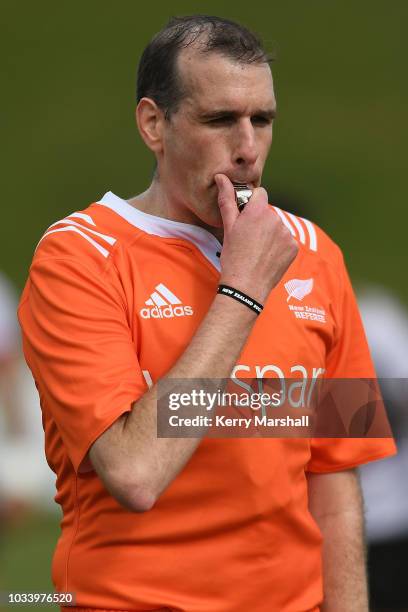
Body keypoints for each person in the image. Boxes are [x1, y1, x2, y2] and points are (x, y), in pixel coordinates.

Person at [18, 15, 396, 612]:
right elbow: (136, 473)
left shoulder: (316, 253)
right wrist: (243, 289)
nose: (247, 150)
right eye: (220, 120)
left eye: (262, 121)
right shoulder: (77, 258)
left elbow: (335, 473)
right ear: (153, 124)